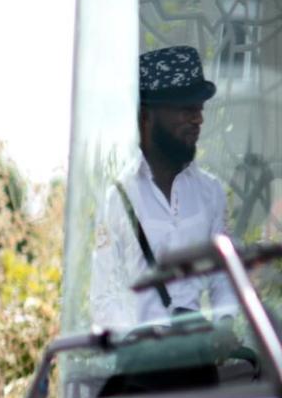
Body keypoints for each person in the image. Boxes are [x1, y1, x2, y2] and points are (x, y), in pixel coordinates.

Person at [89, 45, 238, 330]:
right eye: (186, 109)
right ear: (147, 117)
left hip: (199, 356)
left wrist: (224, 324)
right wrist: (143, 335)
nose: (198, 118)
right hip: (144, 362)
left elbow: (223, 278)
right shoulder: (119, 198)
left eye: (199, 108)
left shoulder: (211, 193)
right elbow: (103, 298)